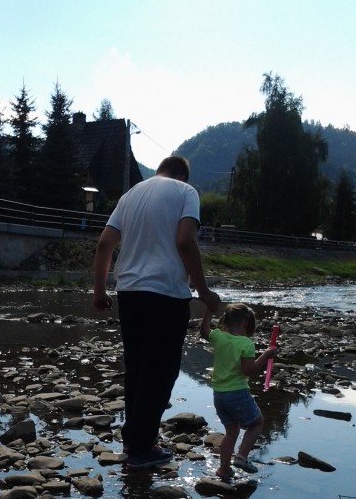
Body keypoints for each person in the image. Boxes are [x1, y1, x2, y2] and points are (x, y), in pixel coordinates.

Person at [93, 155, 220, 470]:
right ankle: (141, 449)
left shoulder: (131, 195)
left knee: (137, 367)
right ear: (183, 176)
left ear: (161, 169)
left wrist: (98, 289)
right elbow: (185, 242)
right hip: (166, 292)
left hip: (130, 291)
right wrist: (203, 291)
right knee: (160, 371)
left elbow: (104, 243)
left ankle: (134, 437)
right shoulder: (185, 192)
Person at [200, 302, 276, 478]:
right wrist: (266, 355)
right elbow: (248, 370)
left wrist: (208, 312)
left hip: (219, 394)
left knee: (231, 431)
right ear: (245, 322)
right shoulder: (246, 344)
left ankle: (224, 469)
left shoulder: (218, 336)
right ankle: (241, 456)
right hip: (237, 392)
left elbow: (204, 331)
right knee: (257, 423)